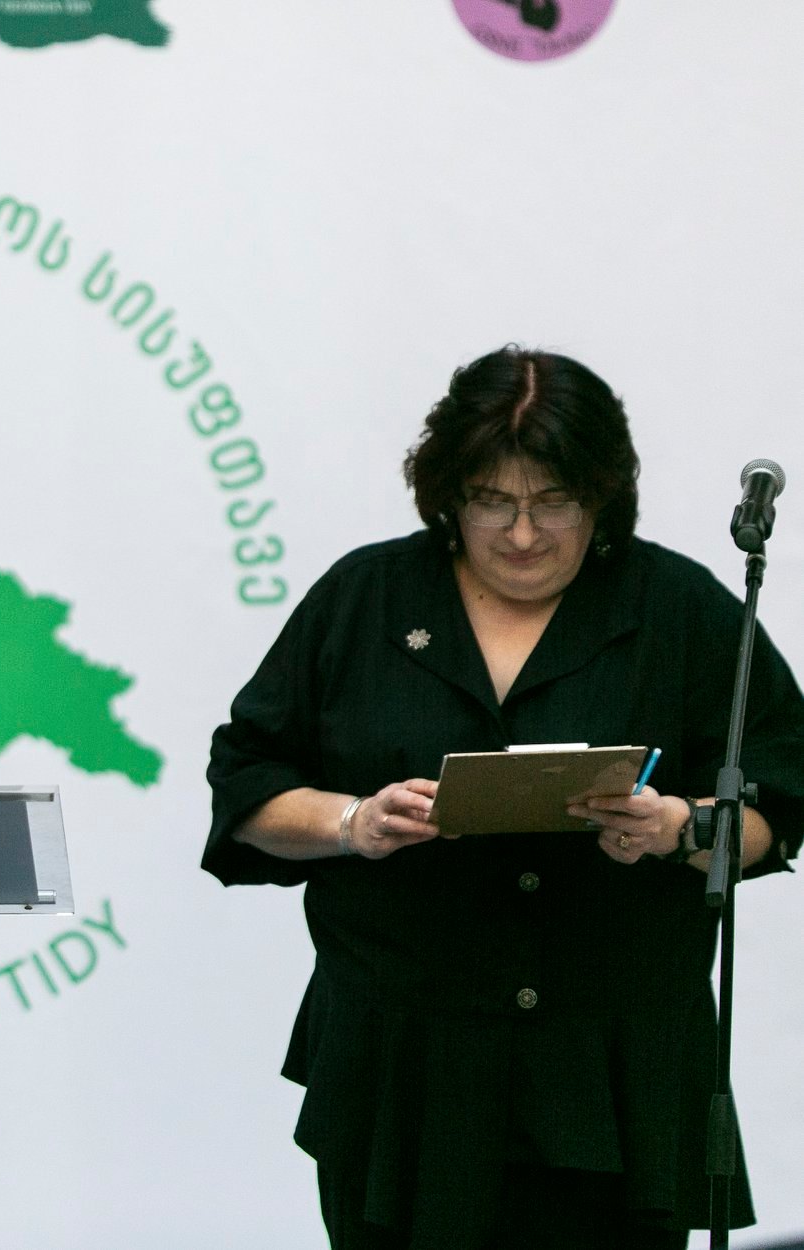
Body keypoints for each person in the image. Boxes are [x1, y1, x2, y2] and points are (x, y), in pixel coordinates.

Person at [205, 346, 804, 1250]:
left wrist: (681, 828)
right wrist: (352, 822)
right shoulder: (364, 598)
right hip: (406, 1060)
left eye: (552, 502)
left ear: (600, 497)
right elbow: (248, 786)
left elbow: (779, 804)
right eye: (491, 501)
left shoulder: (679, 609)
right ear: (448, 495)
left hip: (612, 1068)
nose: (522, 534)